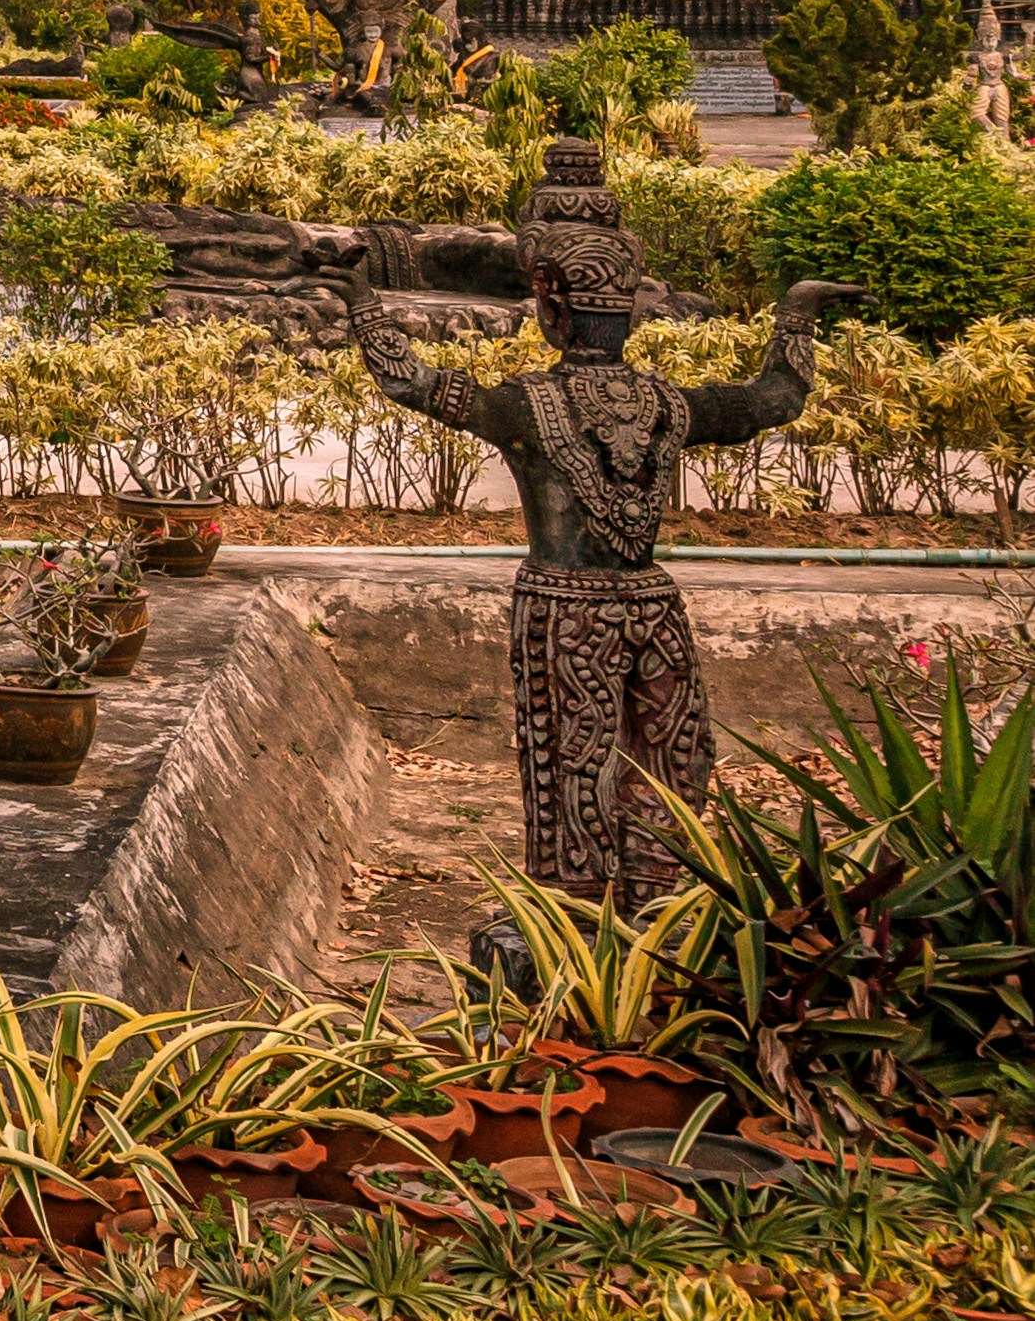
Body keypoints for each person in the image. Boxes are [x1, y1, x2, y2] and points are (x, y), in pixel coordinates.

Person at [348, 140, 851, 910]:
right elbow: (773, 396)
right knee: (664, 761)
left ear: (549, 309)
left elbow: (407, 380)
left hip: (567, 610)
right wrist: (794, 313)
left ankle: (586, 914)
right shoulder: (670, 404)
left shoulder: (523, 404)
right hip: (647, 607)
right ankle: (640, 909)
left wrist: (359, 300)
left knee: (576, 768)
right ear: (631, 310)